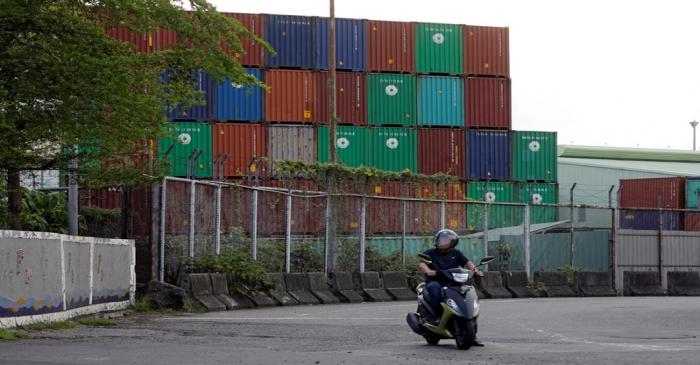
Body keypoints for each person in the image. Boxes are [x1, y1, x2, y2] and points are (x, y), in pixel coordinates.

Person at [418, 228, 485, 346]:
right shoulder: (431, 253)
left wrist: (476, 271)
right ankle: (436, 316)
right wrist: (428, 270)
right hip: (436, 282)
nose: (441, 242)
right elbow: (422, 263)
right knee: (434, 288)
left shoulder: (456, 253)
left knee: (468, 299)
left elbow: (468, 263)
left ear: (452, 243)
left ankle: (472, 336)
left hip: (454, 283)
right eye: (440, 239)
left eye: (444, 240)